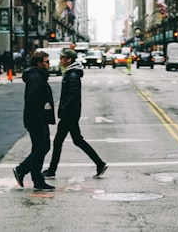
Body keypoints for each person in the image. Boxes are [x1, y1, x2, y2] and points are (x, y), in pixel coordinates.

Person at [42, 49, 108, 180]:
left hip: (69, 114)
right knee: (77, 140)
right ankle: (99, 163)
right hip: (71, 113)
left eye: (62, 58)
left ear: (69, 60)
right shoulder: (71, 73)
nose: (60, 60)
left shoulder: (72, 75)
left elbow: (73, 95)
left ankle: (52, 170)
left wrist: (64, 109)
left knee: (58, 142)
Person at [13, 51, 56, 192]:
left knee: (41, 147)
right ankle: (34, 178)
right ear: (38, 63)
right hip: (36, 119)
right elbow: (33, 100)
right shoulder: (37, 78)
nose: (48, 64)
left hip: (38, 118)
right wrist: (42, 112)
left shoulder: (37, 76)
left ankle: (23, 171)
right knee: (41, 147)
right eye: (46, 62)